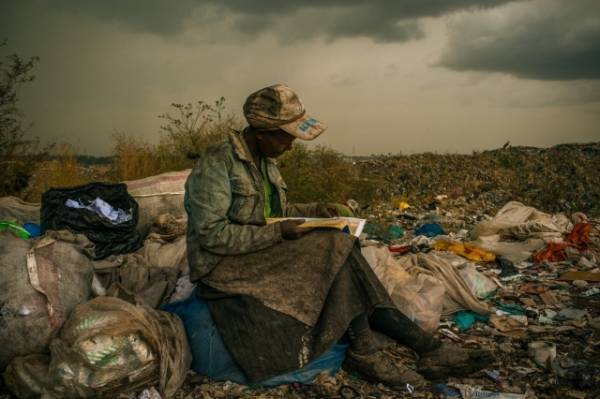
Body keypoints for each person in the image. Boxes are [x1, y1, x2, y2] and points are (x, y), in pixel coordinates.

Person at [184, 84, 492, 388]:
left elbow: (274, 209)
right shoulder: (218, 163)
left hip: (256, 251)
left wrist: (318, 209)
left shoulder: (266, 163)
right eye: (286, 138)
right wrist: (278, 231)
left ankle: (420, 348)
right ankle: (383, 350)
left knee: (340, 244)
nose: (290, 145)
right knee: (333, 247)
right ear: (262, 133)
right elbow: (212, 235)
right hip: (223, 266)